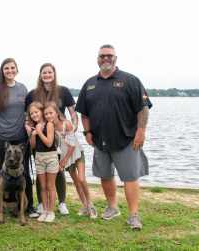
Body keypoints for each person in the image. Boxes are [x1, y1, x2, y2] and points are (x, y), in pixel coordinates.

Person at [75, 44, 152, 229]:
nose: (105, 59)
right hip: (100, 139)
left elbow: (143, 107)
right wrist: (87, 132)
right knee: (105, 175)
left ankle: (133, 215)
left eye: (109, 55)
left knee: (130, 176)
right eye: (102, 56)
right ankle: (113, 207)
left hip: (126, 138)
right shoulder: (90, 83)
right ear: (97, 58)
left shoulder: (130, 80)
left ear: (115, 58)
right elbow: (84, 113)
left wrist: (141, 132)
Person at [0, 58, 38, 219]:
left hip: (20, 138)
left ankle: (29, 207)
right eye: (6, 68)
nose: (9, 70)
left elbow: (27, 112)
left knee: (25, 173)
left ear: (16, 70)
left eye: (12, 68)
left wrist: (28, 125)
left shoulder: (22, 88)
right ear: (2, 70)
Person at [25, 63, 78, 215]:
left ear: (54, 74)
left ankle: (62, 202)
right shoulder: (33, 94)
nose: (47, 75)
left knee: (58, 169)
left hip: (57, 136)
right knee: (40, 169)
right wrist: (29, 129)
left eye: (50, 72)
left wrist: (74, 125)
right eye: (44, 72)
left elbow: (73, 112)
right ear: (40, 75)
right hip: (39, 134)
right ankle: (41, 203)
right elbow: (27, 116)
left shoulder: (64, 91)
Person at [44, 101, 97, 219]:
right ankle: (84, 206)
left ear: (57, 112)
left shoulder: (66, 124)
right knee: (76, 181)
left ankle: (90, 205)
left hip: (76, 153)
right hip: (65, 156)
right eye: (46, 114)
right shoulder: (50, 126)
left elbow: (72, 145)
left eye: (51, 113)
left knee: (82, 179)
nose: (48, 116)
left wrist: (63, 161)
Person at [28, 102, 59, 222]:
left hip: (50, 157)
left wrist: (39, 132)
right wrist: (33, 134)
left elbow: (49, 143)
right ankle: (45, 210)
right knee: (43, 186)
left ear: (41, 112)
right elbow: (33, 145)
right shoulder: (35, 127)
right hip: (39, 157)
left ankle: (51, 212)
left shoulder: (49, 124)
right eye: (31, 113)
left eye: (36, 112)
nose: (34, 115)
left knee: (50, 186)